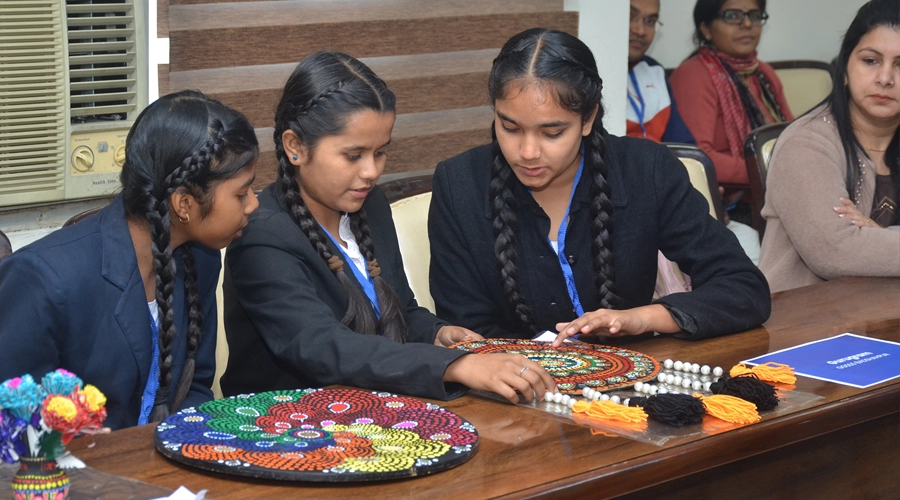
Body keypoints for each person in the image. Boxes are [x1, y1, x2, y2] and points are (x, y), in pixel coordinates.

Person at [222, 52, 555, 404]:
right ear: (295, 147)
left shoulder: (371, 205)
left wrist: (438, 334)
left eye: (380, 152)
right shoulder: (263, 233)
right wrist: (453, 366)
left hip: (375, 410)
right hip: (285, 427)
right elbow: (323, 346)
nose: (371, 172)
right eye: (353, 155)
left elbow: (401, 312)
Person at [428, 28, 770, 345]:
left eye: (552, 133)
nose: (528, 153)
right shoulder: (459, 185)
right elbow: (464, 330)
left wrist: (643, 318)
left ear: (588, 119)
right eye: (510, 127)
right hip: (515, 391)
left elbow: (743, 287)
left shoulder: (644, 169)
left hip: (636, 382)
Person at [0, 91, 260, 429]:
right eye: (241, 193)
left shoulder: (202, 260)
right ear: (184, 204)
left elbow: (195, 386)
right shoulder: (43, 278)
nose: (253, 204)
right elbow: (14, 423)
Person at [759, 0, 900, 293]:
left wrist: (877, 238)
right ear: (845, 70)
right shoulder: (806, 143)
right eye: (870, 61)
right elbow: (836, 252)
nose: (885, 78)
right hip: (805, 326)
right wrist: (863, 242)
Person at [670, 0, 793, 186]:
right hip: (730, 199)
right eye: (733, 16)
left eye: (754, 15)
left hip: (776, 184)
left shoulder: (763, 73)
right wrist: (767, 171)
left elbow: (792, 134)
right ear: (706, 29)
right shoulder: (693, 74)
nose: (747, 24)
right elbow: (697, 158)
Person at [627, 0, 695, 144]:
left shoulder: (654, 70)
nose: (640, 30)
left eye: (650, 21)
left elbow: (682, 145)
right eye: (629, 16)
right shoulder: (585, 72)